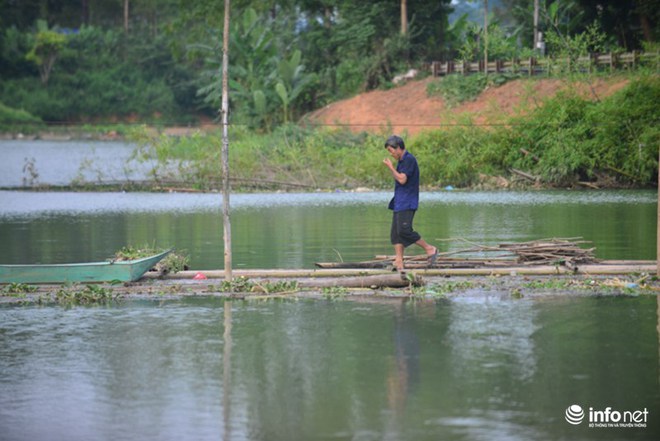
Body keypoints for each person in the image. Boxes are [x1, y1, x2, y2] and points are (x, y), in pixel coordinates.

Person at [382, 135, 438, 272]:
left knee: (404, 230)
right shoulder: (401, 161)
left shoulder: (408, 160)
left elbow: (402, 179)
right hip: (399, 201)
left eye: (391, 150)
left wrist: (390, 167)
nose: (391, 154)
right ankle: (399, 261)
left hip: (407, 201)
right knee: (395, 234)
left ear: (399, 147)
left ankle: (429, 248)